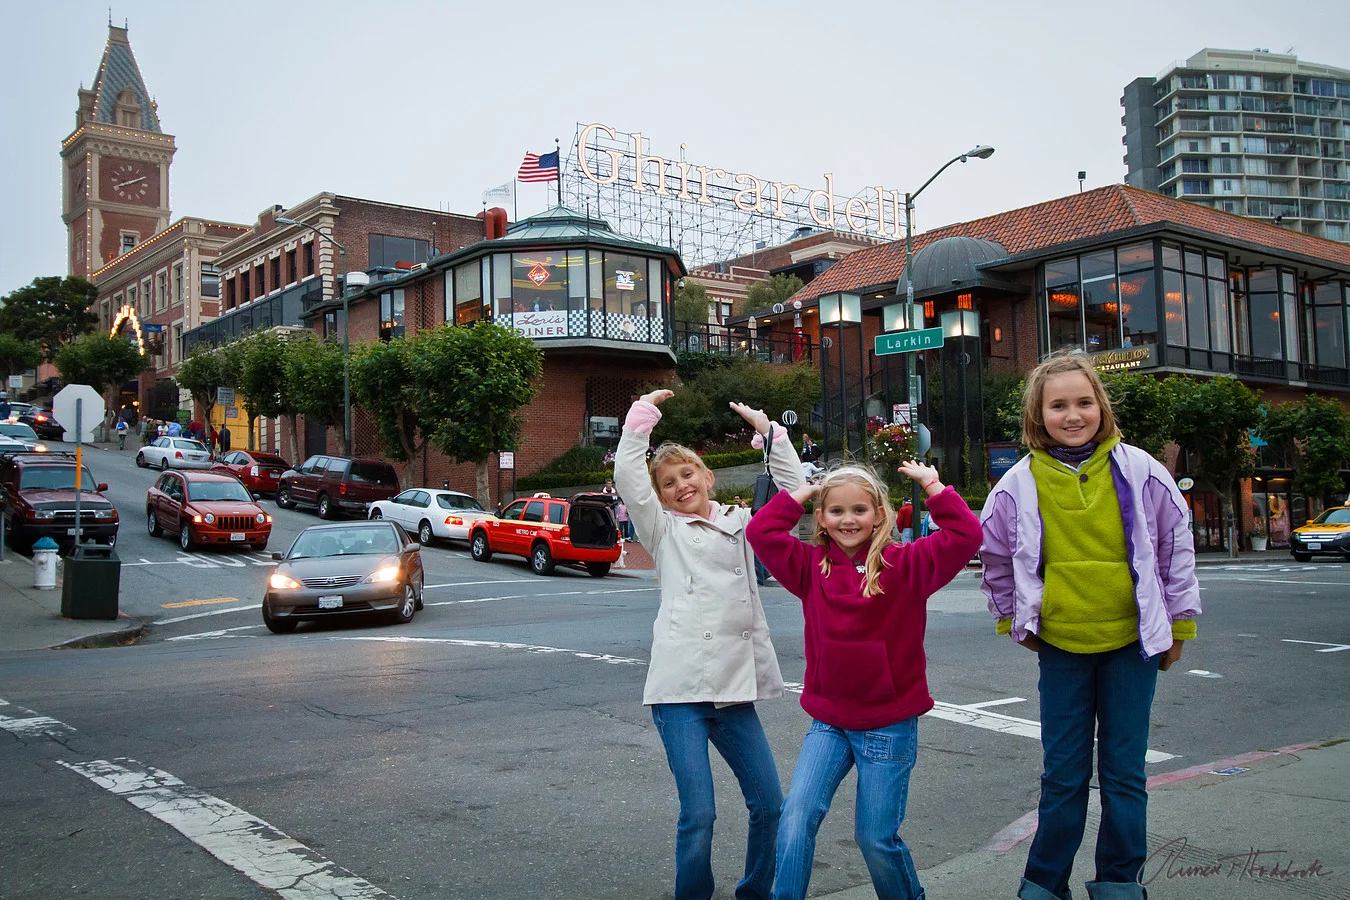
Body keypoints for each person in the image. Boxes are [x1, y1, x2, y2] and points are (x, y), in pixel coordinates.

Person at [979, 351, 1200, 900]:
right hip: (1062, 646)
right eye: (1058, 405)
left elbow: (1176, 545)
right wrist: (1013, 618)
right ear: (1039, 414)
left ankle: (1119, 882)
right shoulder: (1016, 485)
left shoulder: (1143, 470)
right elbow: (996, 557)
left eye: (1083, 402)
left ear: (1101, 406)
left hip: (1133, 644)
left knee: (1125, 775)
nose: (1072, 414)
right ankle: (1044, 884)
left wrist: (1178, 626)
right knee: (1063, 778)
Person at [746, 463, 981, 900]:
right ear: (820, 517)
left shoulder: (908, 564)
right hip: (829, 724)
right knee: (795, 819)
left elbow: (966, 537)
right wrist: (801, 493)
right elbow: (761, 533)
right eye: (835, 510)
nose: (847, 519)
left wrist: (933, 486)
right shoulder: (809, 566)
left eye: (858, 509)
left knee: (875, 839)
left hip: (888, 725)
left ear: (879, 514)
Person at [613, 388, 805, 900]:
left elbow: (797, 492)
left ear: (708, 476)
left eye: (688, 475)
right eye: (668, 482)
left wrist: (771, 433)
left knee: (772, 806)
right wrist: (640, 420)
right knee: (699, 813)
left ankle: (755, 893)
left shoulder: (742, 524)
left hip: (733, 690)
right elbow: (629, 479)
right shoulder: (662, 531)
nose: (680, 486)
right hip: (679, 693)